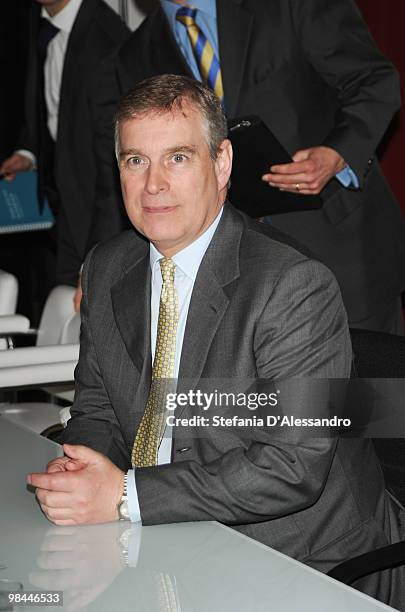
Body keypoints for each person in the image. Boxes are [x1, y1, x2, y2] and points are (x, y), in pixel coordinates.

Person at [28, 75, 404, 608]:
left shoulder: (293, 285)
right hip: (161, 540)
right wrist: (83, 465)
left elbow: (292, 468)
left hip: (300, 563)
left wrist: (123, 495)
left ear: (222, 164)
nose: (153, 184)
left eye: (177, 158)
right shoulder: (109, 267)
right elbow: (99, 406)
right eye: (135, 161)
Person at [85, 0, 405, 332]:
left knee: (367, 383)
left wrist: (336, 155)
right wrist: (94, 269)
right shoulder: (135, 55)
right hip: (230, 278)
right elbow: (126, 169)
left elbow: (373, 81)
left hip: (341, 252)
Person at [0, 0, 129, 289]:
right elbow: (51, 107)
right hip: (62, 206)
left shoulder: (106, 39)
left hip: (97, 216)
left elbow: (113, 163)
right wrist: (29, 152)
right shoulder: (40, 20)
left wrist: (99, 256)